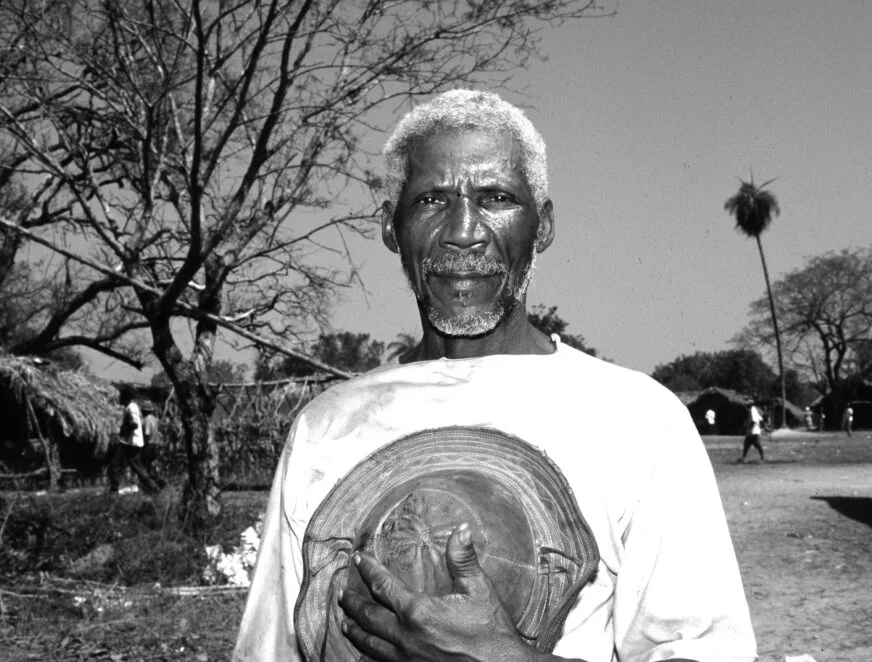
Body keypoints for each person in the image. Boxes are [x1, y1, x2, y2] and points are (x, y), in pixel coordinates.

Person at [233, 90, 756, 661]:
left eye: (496, 198)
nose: (464, 231)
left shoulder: (639, 420)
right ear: (390, 228)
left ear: (544, 226)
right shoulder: (327, 426)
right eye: (432, 199)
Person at [108, 388, 160, 494]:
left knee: (114, 465)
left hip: (129, 442)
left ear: (126, 397)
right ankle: (154, 487)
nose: (119, 399)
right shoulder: (131, 407)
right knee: (138, 467)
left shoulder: (131, 408)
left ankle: (113, 490)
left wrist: (121, 433)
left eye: (121, 397)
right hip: (134, 442)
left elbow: (134, 424)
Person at [139, 403, 167, 490]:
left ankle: (151, 487)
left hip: (148, 445)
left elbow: (147, 434)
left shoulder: (147, 420)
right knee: (150, 467)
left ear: (145, 411)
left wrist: (142, 446)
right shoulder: (154, 419)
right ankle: (158, 483)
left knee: (144, 467)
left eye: (142, 410)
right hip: (155, 445)